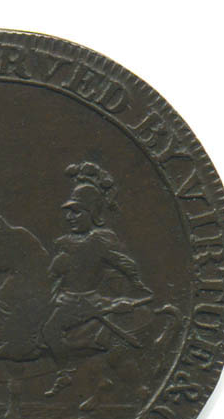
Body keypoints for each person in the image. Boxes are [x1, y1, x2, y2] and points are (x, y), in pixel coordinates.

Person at [42, 162, 152, 396]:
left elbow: (124, 264)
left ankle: (64, 373)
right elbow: (53, 275)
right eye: (68, 212)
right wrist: (56, 270)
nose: (70, 217)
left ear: (92, 214)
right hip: (63, 299)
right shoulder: (65, 242)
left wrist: (136, 286)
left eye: (77, 212)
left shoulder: (99, 240)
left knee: (50, 330)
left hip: (85, 301)